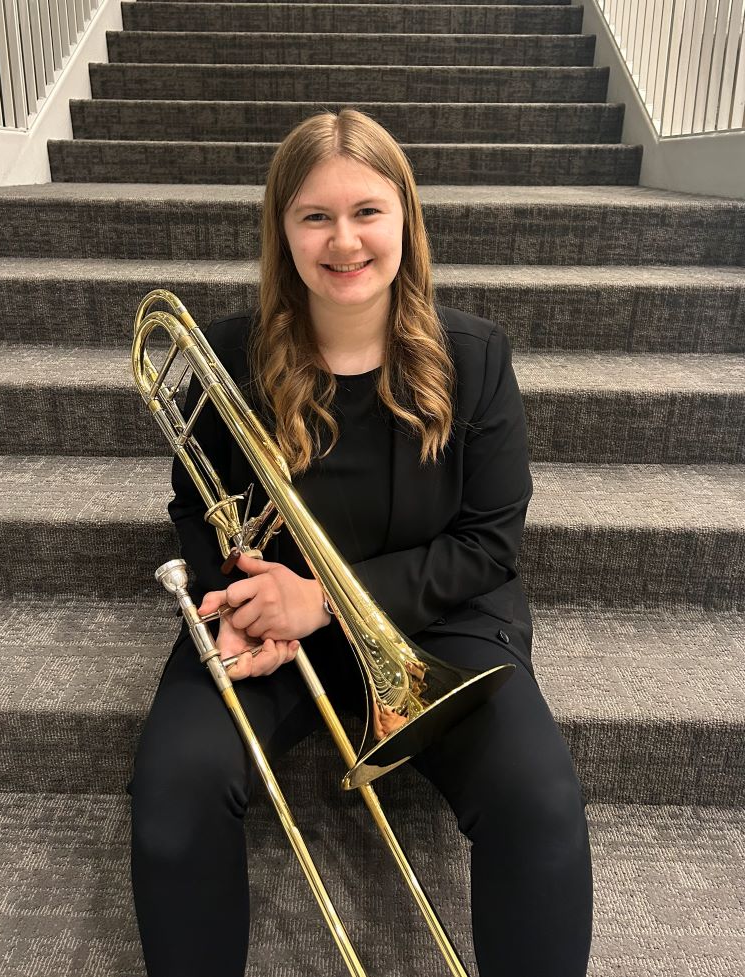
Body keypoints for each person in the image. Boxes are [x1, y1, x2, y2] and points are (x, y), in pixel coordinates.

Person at [129, 108, 594, 977]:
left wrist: (327, 602)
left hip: (435, 625)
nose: (344, 241)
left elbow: (488, 544)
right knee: (174, 792)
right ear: (283, 230)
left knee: (540, 803)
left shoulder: (474, 357)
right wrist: (230, 604)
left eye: (367, 211)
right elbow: (197, 506)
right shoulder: (225, 352)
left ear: (405, 220)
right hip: (270, 633)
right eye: (314, 215)